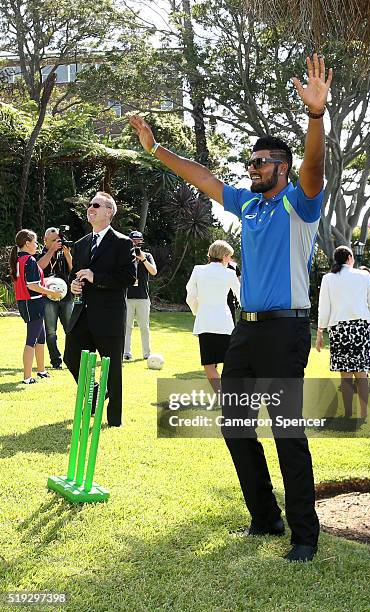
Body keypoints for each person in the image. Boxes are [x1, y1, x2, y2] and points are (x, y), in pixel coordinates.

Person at [130, 53, 333, 562]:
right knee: (236, 427)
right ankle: (265, 518)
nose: (252, 168)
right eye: (250, 163)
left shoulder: (299, 202)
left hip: (286, 333)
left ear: (281, 168)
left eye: (260, 163)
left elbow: (314, 168)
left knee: (287, 433)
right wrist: (158, 149)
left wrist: (315, 117)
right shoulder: (251, 204)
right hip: (245, 332)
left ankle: (305, 537)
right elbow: (204, 179)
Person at [63, 192, 136, 427]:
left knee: (112, 369)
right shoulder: (81, 244)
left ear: (109, 212)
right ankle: (94, 391)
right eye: (89, 205)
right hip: (83, 314)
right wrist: (74, 284)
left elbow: (128, 277)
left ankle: (114, 420)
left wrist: (97, 278)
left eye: (96, 205)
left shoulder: (123, 243)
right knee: (71, 357)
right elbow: (76, 275)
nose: (90, 208)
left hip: (109, 315)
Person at [316, 247, 370, 419]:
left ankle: (348, 414)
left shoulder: (328, 278)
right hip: (360, 328)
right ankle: (364, 413)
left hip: (339, 329)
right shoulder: (364, 276)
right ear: (350, 257)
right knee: (361, 373)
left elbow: (324, 307)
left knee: (345, 375)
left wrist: (320, 332)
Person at [186, 240, 240, 393]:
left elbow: (190, 297)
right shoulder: (230, 273)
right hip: (225, 324)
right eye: (229, 257)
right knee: (229, 362)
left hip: (205, 323)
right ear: (224, 256)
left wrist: (198, 311)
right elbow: (242, 297)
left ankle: (222, 395)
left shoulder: (198, 270)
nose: (229, 260)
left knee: (209, 364)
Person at [9, 229, 60, 384]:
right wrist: (52, 292)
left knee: (41, 337)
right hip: (32, 302)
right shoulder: (29, 260)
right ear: (27, 243)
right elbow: (33, 285)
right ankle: (27, 377)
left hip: (28, 301)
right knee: (31, 339)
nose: (37, 245)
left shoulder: (20, 259)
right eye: (35, 242)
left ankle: (41, 371)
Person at [36, 227, 73, 369]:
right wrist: (51, 250)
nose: (56, 243)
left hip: (66, 297)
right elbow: (39, 267)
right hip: (47, 297)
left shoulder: (63, 254)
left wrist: (67, 254)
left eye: (58, 240)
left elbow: (73, 269)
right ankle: (56, 361)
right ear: (45, 240)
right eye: (52, 241)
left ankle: (71, 358)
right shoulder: (39, 255)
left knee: (70, 329)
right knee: (51, 332)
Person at [123, 230, 157, 361]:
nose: (136, 244)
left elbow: (153, 272)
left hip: (143, 297)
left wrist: (142, 259)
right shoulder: (125, 256)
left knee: (144, 327)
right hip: (127, 297)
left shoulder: (147, 255)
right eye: (134, 241)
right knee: (127, 326)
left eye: (138, 241)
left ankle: (147, 353)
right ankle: (126, 352)